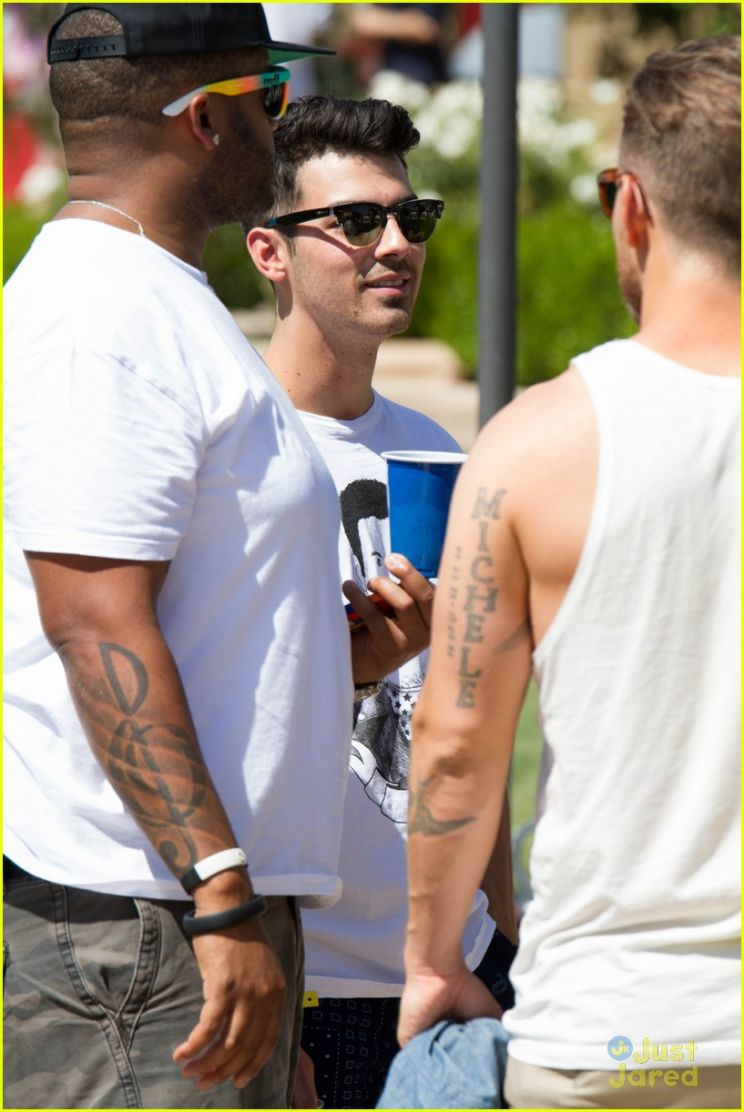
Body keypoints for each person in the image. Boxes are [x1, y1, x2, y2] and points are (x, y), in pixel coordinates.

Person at [4, 6, 429, 1109]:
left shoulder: (154, 297)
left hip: (188, 919)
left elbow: (193, 621)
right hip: (146, 922)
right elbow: (92, 622)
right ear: (202, 119)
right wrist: (225, 896)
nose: (279, 122)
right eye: (268, 96)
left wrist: (350, 664)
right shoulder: (101, 312)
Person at [398, 34, 741, 1110]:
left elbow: (457, 746)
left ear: (631, 206)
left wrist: (431, 959)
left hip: (616, 1035)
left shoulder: (537, 444)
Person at [245, 94, 517, 1109]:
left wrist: (501, 929)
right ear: (270, 252)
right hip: (304, 983)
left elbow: (472, 710)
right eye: (358, 221)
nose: (397, 244)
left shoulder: (439, 451)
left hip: (455, 972)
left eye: (413, 217)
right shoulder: (234, 452)